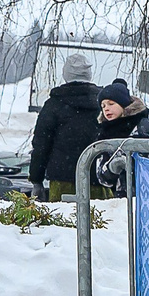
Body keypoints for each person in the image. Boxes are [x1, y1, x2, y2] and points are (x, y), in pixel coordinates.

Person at [28, 53, 105, 198]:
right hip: (98, 178)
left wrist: (36, 180)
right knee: (99, 218)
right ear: (89, 75)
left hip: (61, 179)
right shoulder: (104, 104)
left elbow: (41, 144)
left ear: (66, 74)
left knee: (62, 217)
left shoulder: (54, 105)